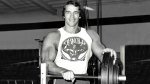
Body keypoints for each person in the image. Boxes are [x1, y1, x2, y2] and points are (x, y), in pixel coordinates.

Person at [41, 0, 117, 84]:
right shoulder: (53, 36)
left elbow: (101, 53)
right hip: (61, 79)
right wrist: (63, 71)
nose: (72, 16)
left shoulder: (90, 34)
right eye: (68, 12)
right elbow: (45, 63)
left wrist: (108, 54)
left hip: (83, 79)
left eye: (75, 13)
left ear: (79, 16)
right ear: (64, 15)